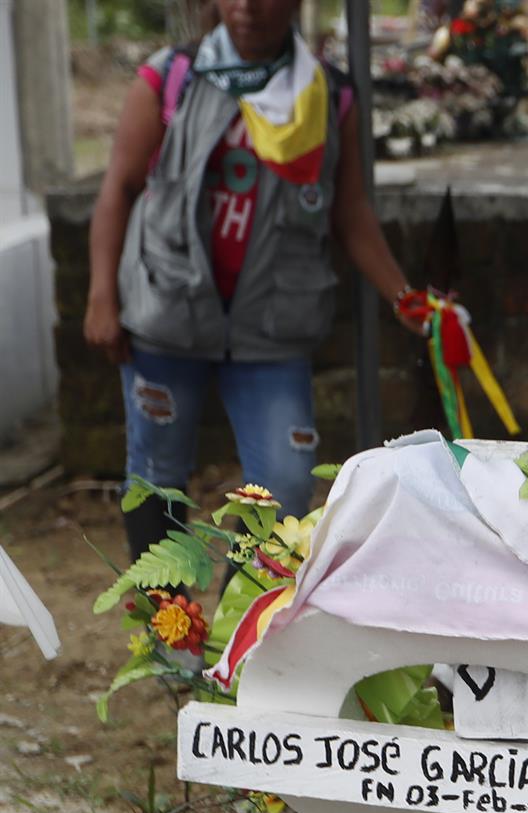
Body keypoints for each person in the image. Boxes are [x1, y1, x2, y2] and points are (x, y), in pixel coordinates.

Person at [84, 0, 424, 558]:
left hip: (272, 326)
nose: (249, 6)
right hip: (167, 312)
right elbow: (118, 187)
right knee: (154, 478)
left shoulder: (327, 97)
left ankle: (239, 635)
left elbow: (351, 213)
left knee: (286, 485)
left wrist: (403, 295)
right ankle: (170, 636)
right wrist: (101, 296)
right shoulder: (171, 78)